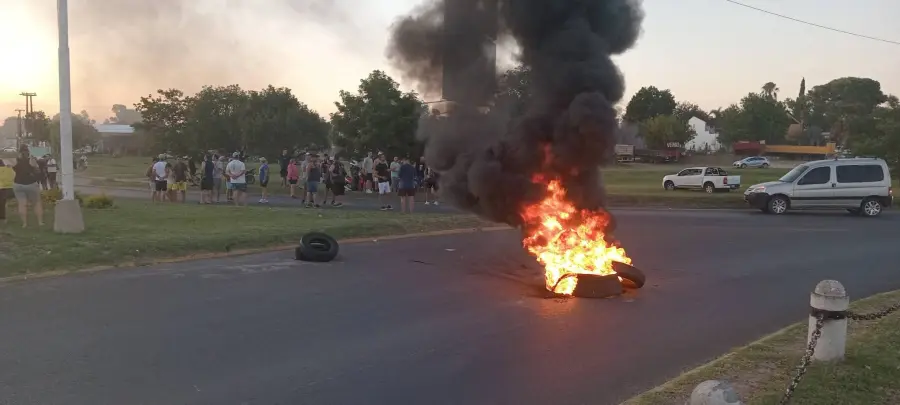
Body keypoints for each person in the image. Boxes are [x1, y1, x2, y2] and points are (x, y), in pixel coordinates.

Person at [12, 147, 43, 227]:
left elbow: (12, 167)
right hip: (31, 183)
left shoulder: (15, 160)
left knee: (22, 204)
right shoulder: (31, 160)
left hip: (18, 184)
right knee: (37, 203)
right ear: (28, 152)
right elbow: (37, 169)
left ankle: (24, 224)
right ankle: (40, 222)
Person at [0, 159, 13, 225]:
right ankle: (2, 218)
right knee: (2, 203)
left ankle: (2, 218)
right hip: (3, 187)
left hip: (2, 187)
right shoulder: (5, 168)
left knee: (2, 203)